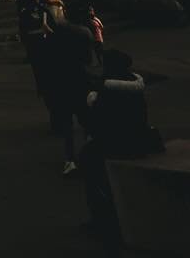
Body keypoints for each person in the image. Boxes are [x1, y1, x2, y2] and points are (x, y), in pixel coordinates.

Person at [79, 47, 164, 240]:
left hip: (117, 144)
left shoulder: (107, 90)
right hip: (139, 140)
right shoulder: (134, 85)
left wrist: (91, 105)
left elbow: (97, 124)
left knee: (88, 162)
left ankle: (102, 217)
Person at [44, 9, 101, 175]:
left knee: (67, 124)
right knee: (87, 119)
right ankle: (91, 153)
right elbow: (89, 60)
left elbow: (49, 56)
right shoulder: (84, 33)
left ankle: (70, 160)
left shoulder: (57, 32)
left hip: (62, 81)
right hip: (80, 79)